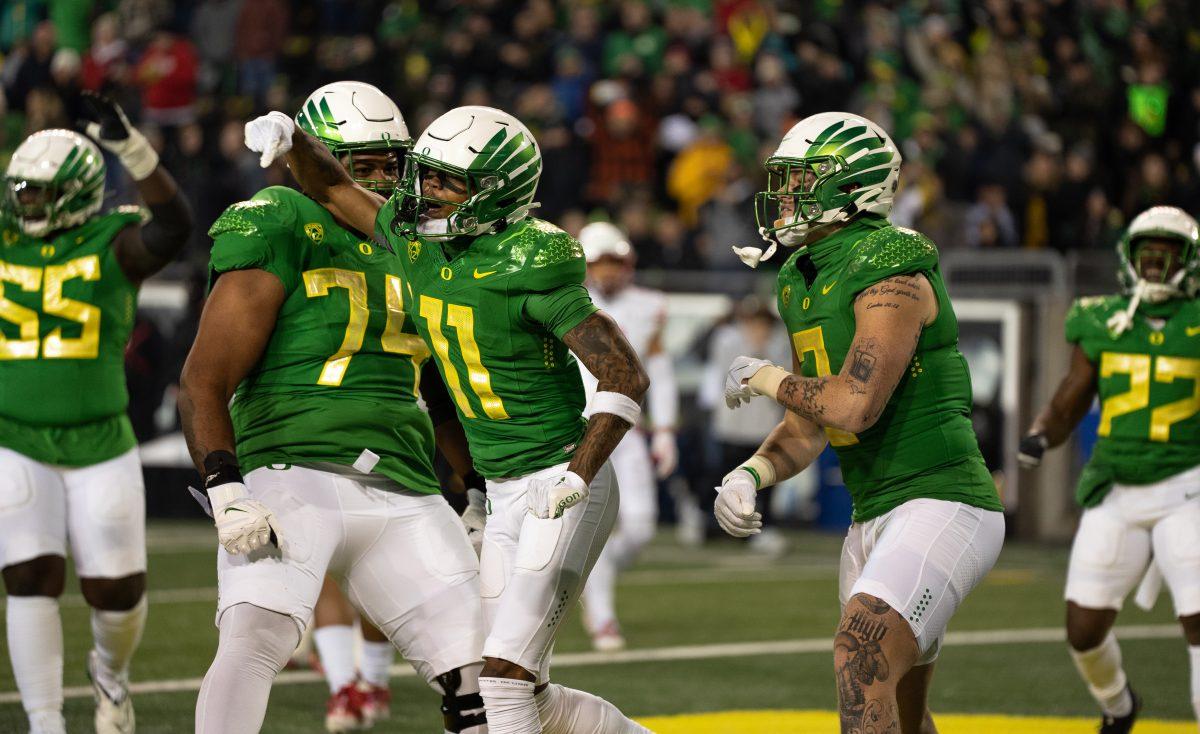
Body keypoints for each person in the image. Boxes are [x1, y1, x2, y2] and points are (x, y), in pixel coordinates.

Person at [246, 103, 652, 733]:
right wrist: (293, 139)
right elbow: (331, 184)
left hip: (561, 480)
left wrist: (577, 476)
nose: (422, 189)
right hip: (504, 488)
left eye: (444, 180)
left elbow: (625, 374)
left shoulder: (529, 259)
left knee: (504, 684)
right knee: (523, 691)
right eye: (424, 173)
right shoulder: (414, 246)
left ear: (496, 193)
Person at [180, 82, 487, 734]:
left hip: (404, 481)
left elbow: (432, 382)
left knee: (483, 668)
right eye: (362, 164)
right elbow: (203, 379)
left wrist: (475, 485)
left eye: (390, 164)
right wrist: (225, 484)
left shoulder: (412, 243)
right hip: (294, 468)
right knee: (256, 633)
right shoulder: (281, 216)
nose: (381, 178)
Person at [718, 111, 1006, 733]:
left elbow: (853, 404)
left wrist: (766, 376)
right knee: (901, 711)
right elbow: (807, 424)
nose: (786, 194)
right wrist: (751, 471)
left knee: (860, 658)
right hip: (871, 510)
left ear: (853, 186)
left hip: (942, 500)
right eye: (786, 179)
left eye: (803, 179)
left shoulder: (889, 259)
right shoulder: (799, 274)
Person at [0, 93, 192, 734]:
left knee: (116, 591)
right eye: (21, 191)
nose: (26, 203)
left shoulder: (116, 242)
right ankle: (44, 721)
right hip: (16, 435)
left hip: (100, 437)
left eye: (39, 193)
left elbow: (174, 226)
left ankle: (110, 672)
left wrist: (133, 150)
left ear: (79, 194)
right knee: (29, 577)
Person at [1019, 205, 1200, 734]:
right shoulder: (1102, 319)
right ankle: (1120, 706)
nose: (1156, 267)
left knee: (1197, 620)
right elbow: (1072, 396)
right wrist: (1042, 433)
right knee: (1083, 628)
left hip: (1188, 484)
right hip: (1116, 487)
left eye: (1168, 257)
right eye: (1148, 256)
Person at [575, 220, 679, 651]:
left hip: (628, 429)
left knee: (639, 527)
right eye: (602, 261)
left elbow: (661, 369)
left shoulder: (648, 304)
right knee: (591, 523)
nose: (610, 270)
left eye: (617, 261)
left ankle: (587, 579)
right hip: (578, 429)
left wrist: (666, 430)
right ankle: (603, 618)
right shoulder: (566, 301)